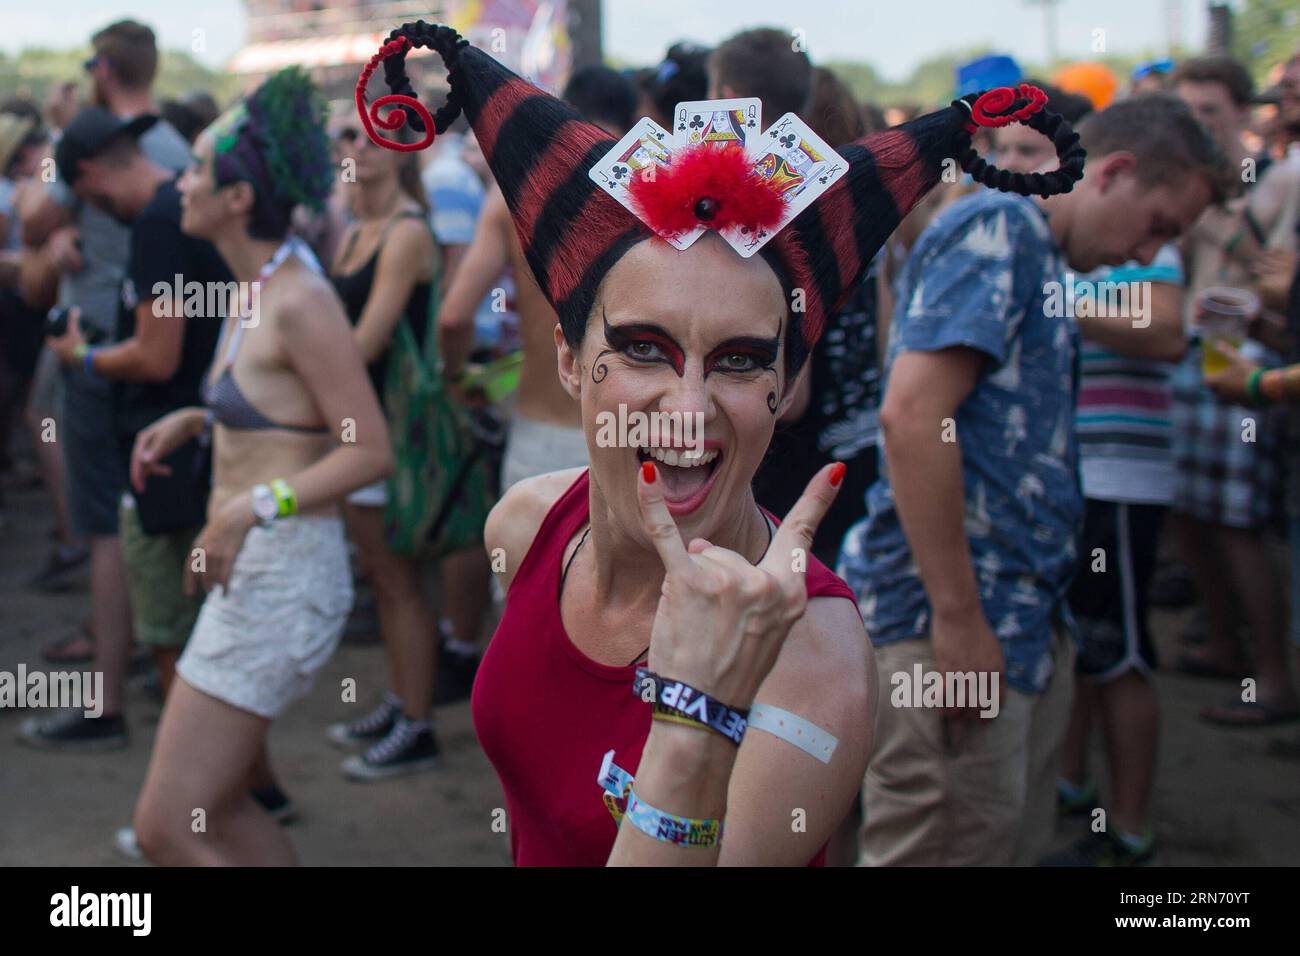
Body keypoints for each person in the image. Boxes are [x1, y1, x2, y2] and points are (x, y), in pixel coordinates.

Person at [358, 20, 1081, 865]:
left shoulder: (812, 655)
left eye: (739, 361)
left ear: (784, 389)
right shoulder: (522, 529)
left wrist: (697, 710)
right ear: (566, 355)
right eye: (641, 348)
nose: (690, 409)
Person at [839, 94, 1230, 866]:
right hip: (951, 624)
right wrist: (955, 618)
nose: (1148, 251)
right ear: (1113, 172)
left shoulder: (1038, 254)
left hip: (1010, 625)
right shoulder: (1000, 227)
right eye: (1158, 225)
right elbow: (914, 417)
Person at [129, 68, 392, 865]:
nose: (181, 180)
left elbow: (368, 447)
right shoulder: (256, 286)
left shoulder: (300, 299)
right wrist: (198, 418)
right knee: (221, 804)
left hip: (283, 579)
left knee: (166, 827)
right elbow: (280, 409)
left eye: (200, 167)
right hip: (255, 575)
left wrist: (250, 507)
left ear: (239, 199)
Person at [18, 19, 191, 742]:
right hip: (161, 369)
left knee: (108, 531)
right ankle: (158, 666)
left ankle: (108, 702)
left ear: (101, 66)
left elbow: (30, 218)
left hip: (108, 355)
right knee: (154, 525)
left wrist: (55, 205)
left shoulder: (88, 149)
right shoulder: (175, 148)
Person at [1168, 59, 1298, 726]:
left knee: (1237, 521)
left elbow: (1278, 283)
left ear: (1243, 113)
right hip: (1196, 351)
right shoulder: (1192, 176)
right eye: (1186, 110)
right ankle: (1223, 642)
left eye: (1211, 111)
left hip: (1244, 356)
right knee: (1194, 514)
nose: (1197, 123)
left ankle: (1273, 676)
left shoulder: (1278, 179)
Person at [324, 121, 443, 779]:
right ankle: (402, 701)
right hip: (358, 424)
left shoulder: (406, 232)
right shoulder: (355, 231)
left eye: (378, 136)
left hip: (388, 432)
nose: (360, 146)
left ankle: (418, 724)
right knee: (384, 576)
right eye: (349, 134)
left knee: (398, 582)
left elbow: (362, 343)